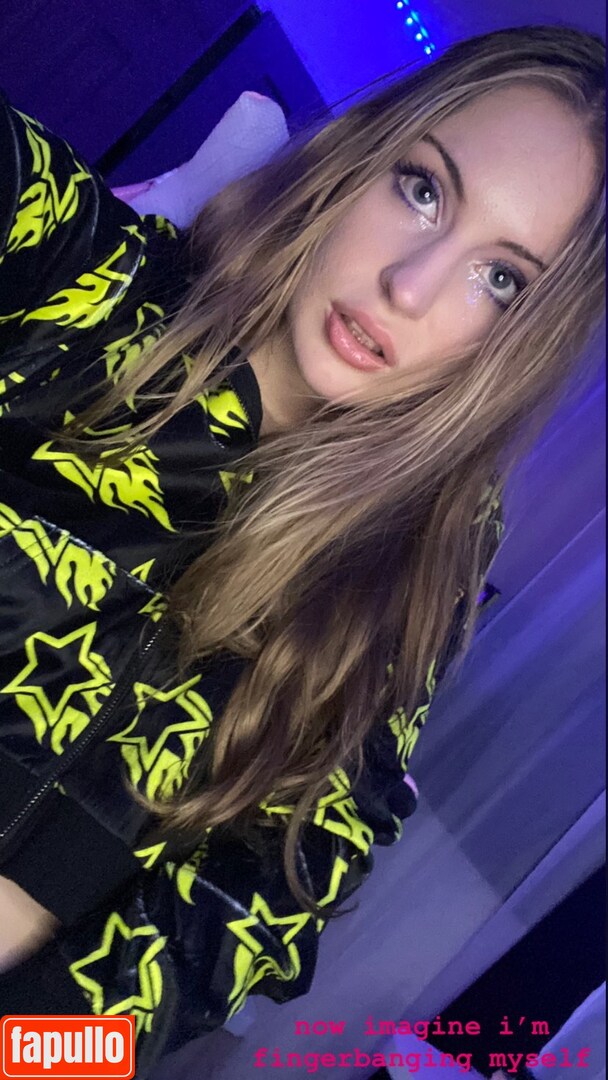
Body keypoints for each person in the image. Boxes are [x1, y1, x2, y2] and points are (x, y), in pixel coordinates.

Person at [0, 22, 604, 1077]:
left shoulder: (397, 598)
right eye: (422, 189)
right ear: (358, 158)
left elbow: (232, 933)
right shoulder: (82, 291)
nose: (410, 286)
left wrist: (28, 1053)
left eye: (500, 280)